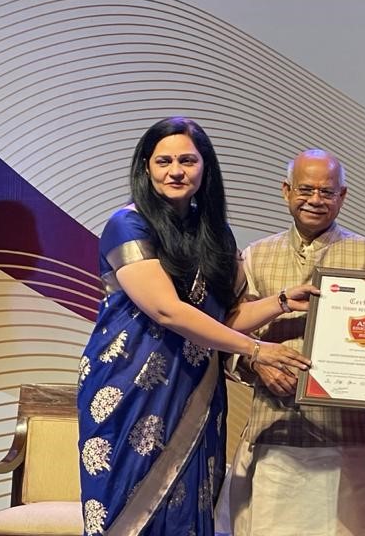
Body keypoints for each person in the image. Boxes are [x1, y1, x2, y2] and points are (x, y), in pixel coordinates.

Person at [77, 117, 315, 536]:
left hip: (195, 388)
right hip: (130, 389)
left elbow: (221, 321)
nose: (175, 171)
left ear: (205, 167)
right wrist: (257, 350)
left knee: (191, 507)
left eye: (187, 160)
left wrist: (279, 303)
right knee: (126, 510)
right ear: (146, 167)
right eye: (164, 161)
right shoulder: (128, 225)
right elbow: (167, 311)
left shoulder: (217, 235)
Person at [226, 149, 365, 536]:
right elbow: (227, 337)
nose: (315, 200)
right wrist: (256, 362)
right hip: (273, 432)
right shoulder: (254, 256)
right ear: (286, 191)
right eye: (305, 189)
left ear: (342, 196)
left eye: (327, 191)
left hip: (348, 439)